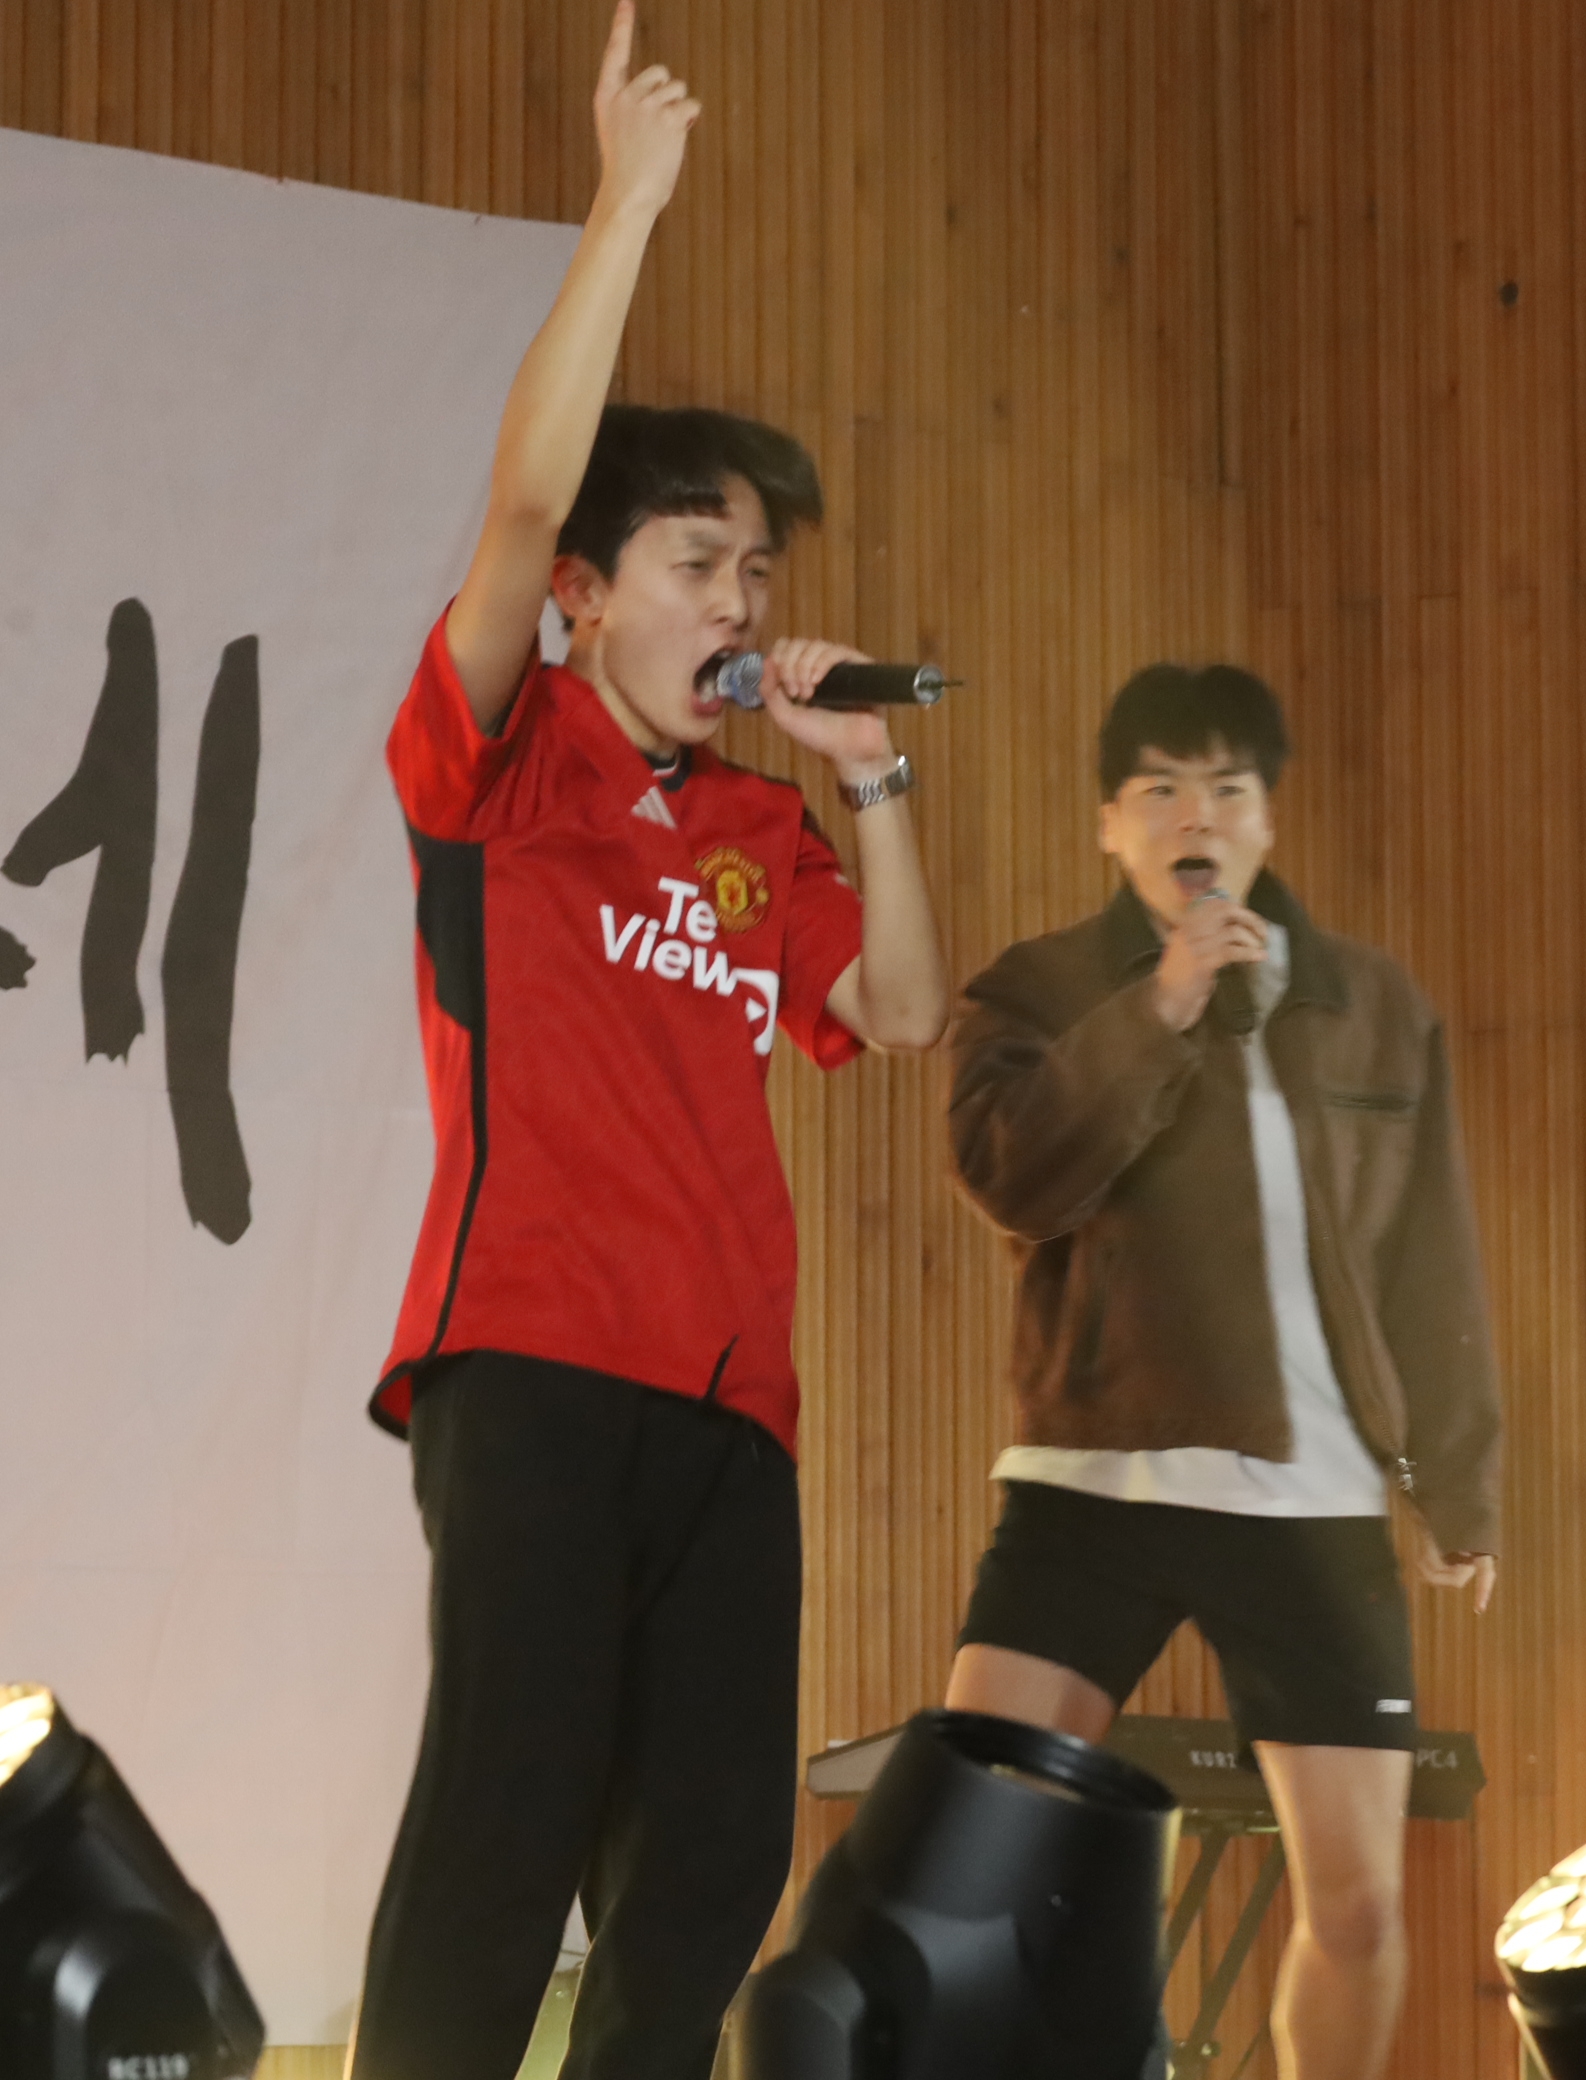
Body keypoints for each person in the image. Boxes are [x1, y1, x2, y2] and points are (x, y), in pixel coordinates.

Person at [351, 11, 949, 2078]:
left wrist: (872, 779)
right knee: (502, 1829)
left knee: (704, 1869)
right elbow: (524, 500)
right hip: (526, 1363)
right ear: (592, 598)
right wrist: (627, 201)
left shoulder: (771, 829)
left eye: (760, 573)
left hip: (730, 1403)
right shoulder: (499, 759)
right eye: (701, 566)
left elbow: (902, 1009)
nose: (742, 605)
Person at [942, 662, 1502, 2080]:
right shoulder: (1038, 989)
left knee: (1359, 1908)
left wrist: (1459, 1483)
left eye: (1228, 788)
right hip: (1094, 1475)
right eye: (1161, 790)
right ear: (1109, 825)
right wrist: (1161, 1006)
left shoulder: (1372, 1004)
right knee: (970, 1852)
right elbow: (1013, 1180)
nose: (1197, 816)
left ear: (1267, 819)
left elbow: (1431, 1256)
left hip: (1315, 1501)